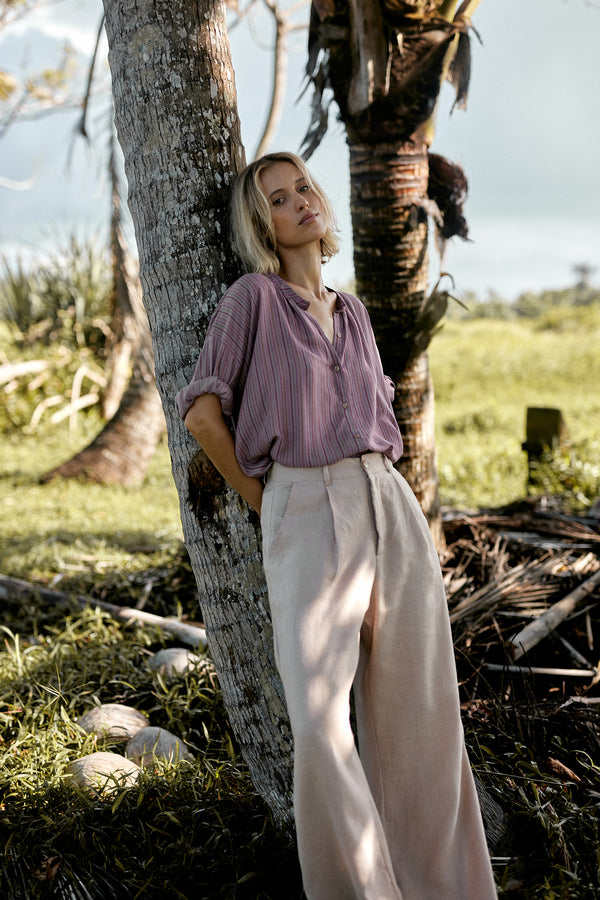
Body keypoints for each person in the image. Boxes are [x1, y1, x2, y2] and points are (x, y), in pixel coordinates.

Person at [176, 151, 497, 900]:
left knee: (421, 716)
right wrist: (269, 503)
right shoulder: (252, 300)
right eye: (280, 201)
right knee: (321, 727)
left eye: (304, 190)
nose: (301, 204)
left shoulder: (352, 311)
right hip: (305, 504)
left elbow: (381, 424)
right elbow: (202, 413)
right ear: (264, 225)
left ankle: (444, 889)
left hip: (388, 502)